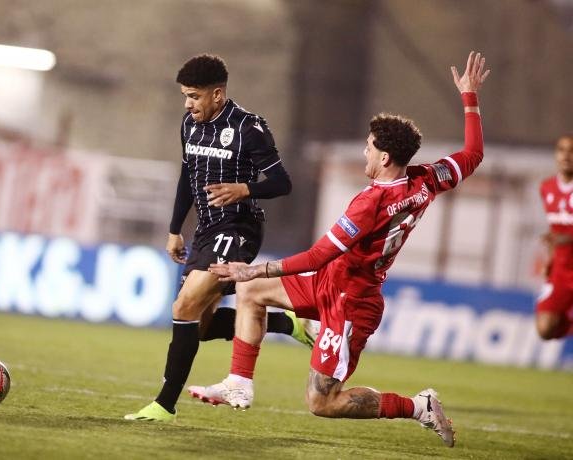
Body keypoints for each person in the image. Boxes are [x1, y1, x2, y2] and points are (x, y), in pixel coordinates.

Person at [189, 51, 491, 448]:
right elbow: (473, 155)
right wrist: (469, 97)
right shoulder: (425, 179)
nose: (365, 152)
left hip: (352, 303)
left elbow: (317, 256)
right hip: (331, 283)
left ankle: (419, 407)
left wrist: (254, 268)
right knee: (251, 293)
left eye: (369, 147)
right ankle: (238, 383)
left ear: (384, 157)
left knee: (322, 402)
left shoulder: (370, 204)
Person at [125, 54, 313, 422]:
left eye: (194, 96)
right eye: (185, 96)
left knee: (183, 307)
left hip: (239, 228)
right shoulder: (189, 125)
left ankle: (164, 404)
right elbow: (187, 178)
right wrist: (175, 229)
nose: (187, 104)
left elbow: (282, 182)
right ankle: (287, 324)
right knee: (200, 326)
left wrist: (244, 189)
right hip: (206, 230)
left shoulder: (248, 128)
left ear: (217, 94)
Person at [535, 134, 573, 340]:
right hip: (560, 269)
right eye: (562, 150)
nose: (566, 155)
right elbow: (555, 229)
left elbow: (564, 235)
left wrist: (567, 238)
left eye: (572, 151)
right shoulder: (547, 188)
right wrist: (550, 258)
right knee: (545, 328)